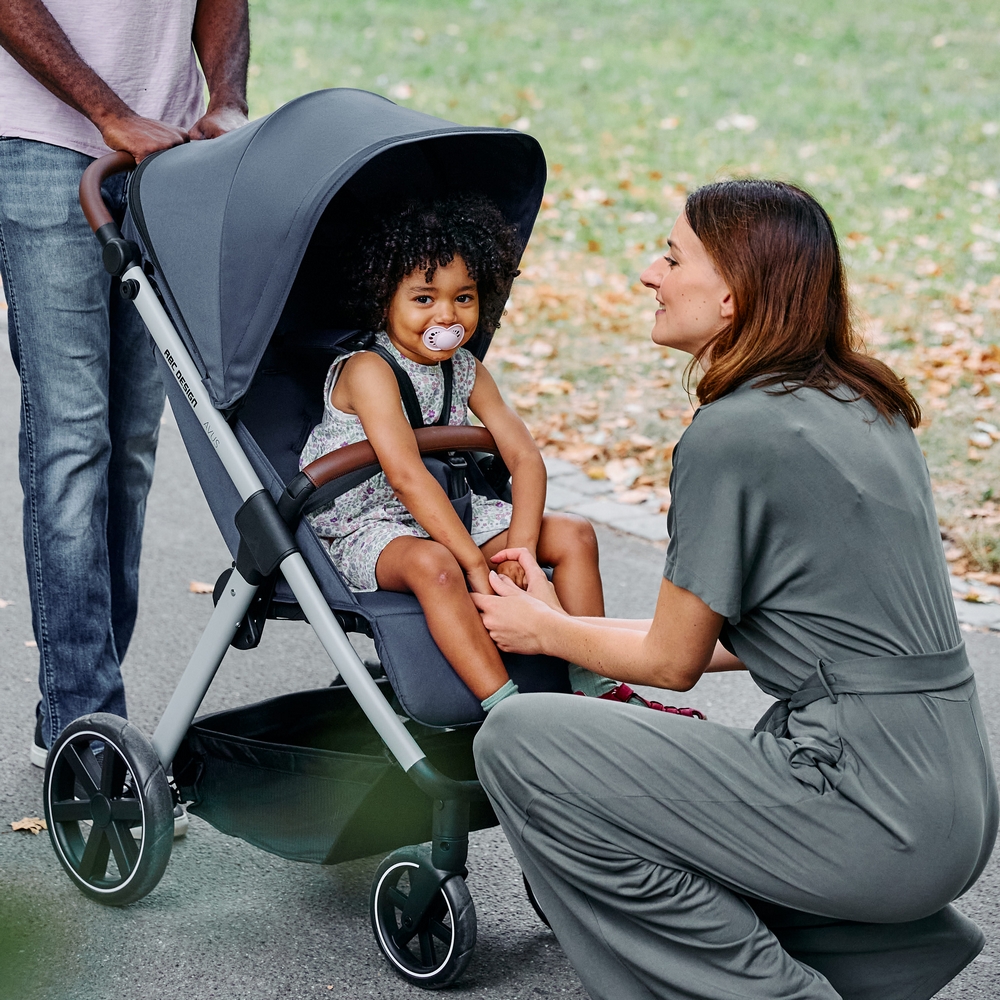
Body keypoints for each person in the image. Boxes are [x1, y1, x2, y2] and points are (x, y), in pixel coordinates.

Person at [471, 179, 998, 999]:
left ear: (733, 294)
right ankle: (876, 965)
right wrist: (565, 620)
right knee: (696, 768)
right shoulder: (864, 400)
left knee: (520, 742)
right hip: (953, 803)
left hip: (869, 809)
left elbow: (672, 661)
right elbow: (765, 632)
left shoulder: (733, 434)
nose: (650, 272)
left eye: (673, 255)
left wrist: (542, 629)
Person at [301, 195, 690, 713]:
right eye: (424, 299)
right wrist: (474, 563)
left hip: (447, 508)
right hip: (367, 519)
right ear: (383, 299)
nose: (447, 315)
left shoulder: (465, 369)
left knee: (573, 534)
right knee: (436, 564)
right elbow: (405, 477)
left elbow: (525, 458)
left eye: (464, 297)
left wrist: (520, 553)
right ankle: (506, 708)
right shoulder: (368, 370)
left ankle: (597, 686)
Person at [0, 0, 250, 785]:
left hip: (164, 152)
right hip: (42, 146)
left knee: (130, 448)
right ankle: (86, 718)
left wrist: (227, 98)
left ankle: (79, 718)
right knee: (74, 437)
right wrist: (110, 113)